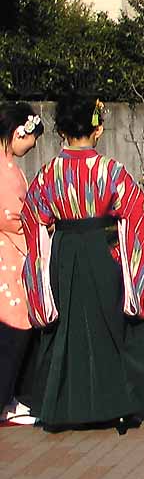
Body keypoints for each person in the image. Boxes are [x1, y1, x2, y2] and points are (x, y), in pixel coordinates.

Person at [20, 94, 144, 432]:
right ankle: (120, 405)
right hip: (103, 251)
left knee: (66, 328)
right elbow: (136, 210)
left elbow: (32, 217)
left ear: (61, 131)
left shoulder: (48, 174)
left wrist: (43, 258)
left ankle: (61, 408)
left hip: (64, 251)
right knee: (111, 325)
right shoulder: (110, 171)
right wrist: (125, 256)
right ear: (98, 129)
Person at [1, 104, 43, 425]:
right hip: (8, 255)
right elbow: (10, 216)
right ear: (18, 133)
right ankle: (5, 401)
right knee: (13, 329)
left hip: (12, 253)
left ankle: (11, 396)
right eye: (31, 139)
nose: (32, 145)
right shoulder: (4, 171)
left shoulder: (9, 167)